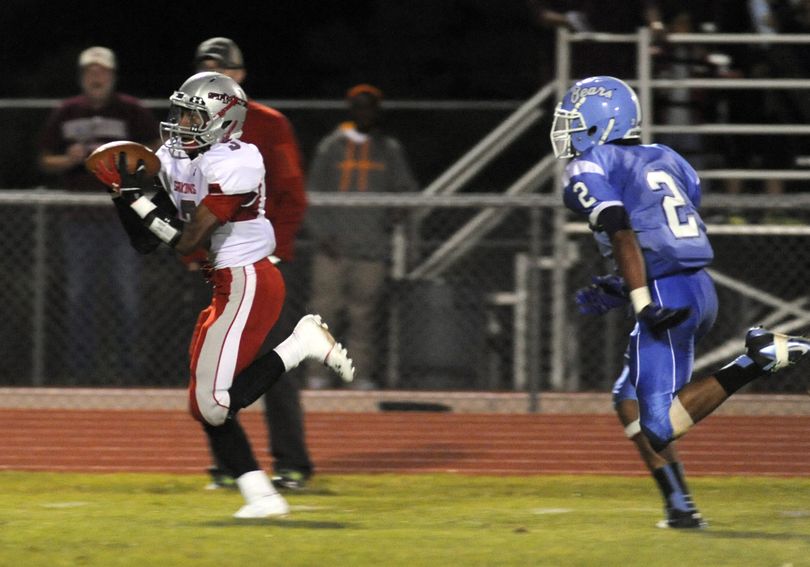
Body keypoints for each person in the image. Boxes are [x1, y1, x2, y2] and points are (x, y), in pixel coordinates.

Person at [551, 75, 810, 528]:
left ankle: (759, 359)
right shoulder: (669, 157)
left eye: (573, 121)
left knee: (660, 424)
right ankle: (680, 507)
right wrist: (620, 285)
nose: (567, 130)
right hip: (695, 286)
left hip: (665, 294)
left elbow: (621, 228)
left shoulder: (592, 162)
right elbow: (663, 233)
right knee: (627, 399)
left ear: (598, 122)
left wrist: (639, 300)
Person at [100, 71, 354, 518]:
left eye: (192, 114)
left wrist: (141, 201)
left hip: (249, 280)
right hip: (224, 283)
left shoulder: (238, 160)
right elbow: (145, 242)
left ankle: (300, 344)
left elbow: (187, 242)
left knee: (212, 403)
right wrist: (124, 195)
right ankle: (263, 497)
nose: (180, 122)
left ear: (222, 120)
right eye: (179, 110)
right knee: (206, 405)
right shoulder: (174, 155)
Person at [192, 37, 313, 491]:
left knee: (271, 364)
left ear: (240, 76)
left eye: (222, 71)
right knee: (213, 365)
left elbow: (292, 195)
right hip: (216, 266)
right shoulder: (192, 127)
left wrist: (275, 253)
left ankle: (292, 461)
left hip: (261, 264)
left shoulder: (267, 124)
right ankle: (230, 464)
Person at [37, 46, 160, 383]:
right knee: (80, 297)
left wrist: (124, 161)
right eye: (91, 71)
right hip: (78, 219)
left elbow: (157, 151)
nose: (96, 77)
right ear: (82, 76)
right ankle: (82, 375)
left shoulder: (131, 110)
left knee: (127, 297)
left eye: (102, 71)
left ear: (112, 76)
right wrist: (70, 159)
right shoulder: (66, 111)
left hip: (123, 217)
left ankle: (129, 374)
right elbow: (46, 159)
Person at [306, 83, 419, 389]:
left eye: (370, 106)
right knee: (324, 313)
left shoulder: (389, 149)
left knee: (363, 317)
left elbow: (406, 191)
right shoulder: (331, 147)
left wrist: (395, 213)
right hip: (333, 248)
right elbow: (311, 196)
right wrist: (321, 235)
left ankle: (357, 374)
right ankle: (318, 374)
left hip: (371, 248)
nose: (364, 112)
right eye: (358, 105)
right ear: (350, 109)